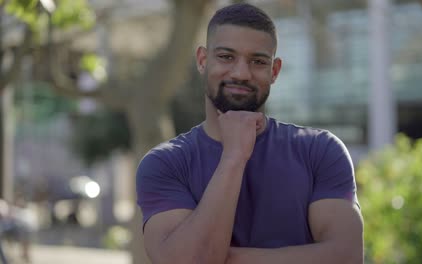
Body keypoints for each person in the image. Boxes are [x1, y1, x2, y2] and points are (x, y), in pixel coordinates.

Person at [136, 3, 363, 264]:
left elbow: (346, 257)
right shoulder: (165, 163)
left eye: (257, 61)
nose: (242, 73)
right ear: (202, 60)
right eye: (226, 57)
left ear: (274, 71)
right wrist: (234, 156)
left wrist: (222, 258)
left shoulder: (320, 150)